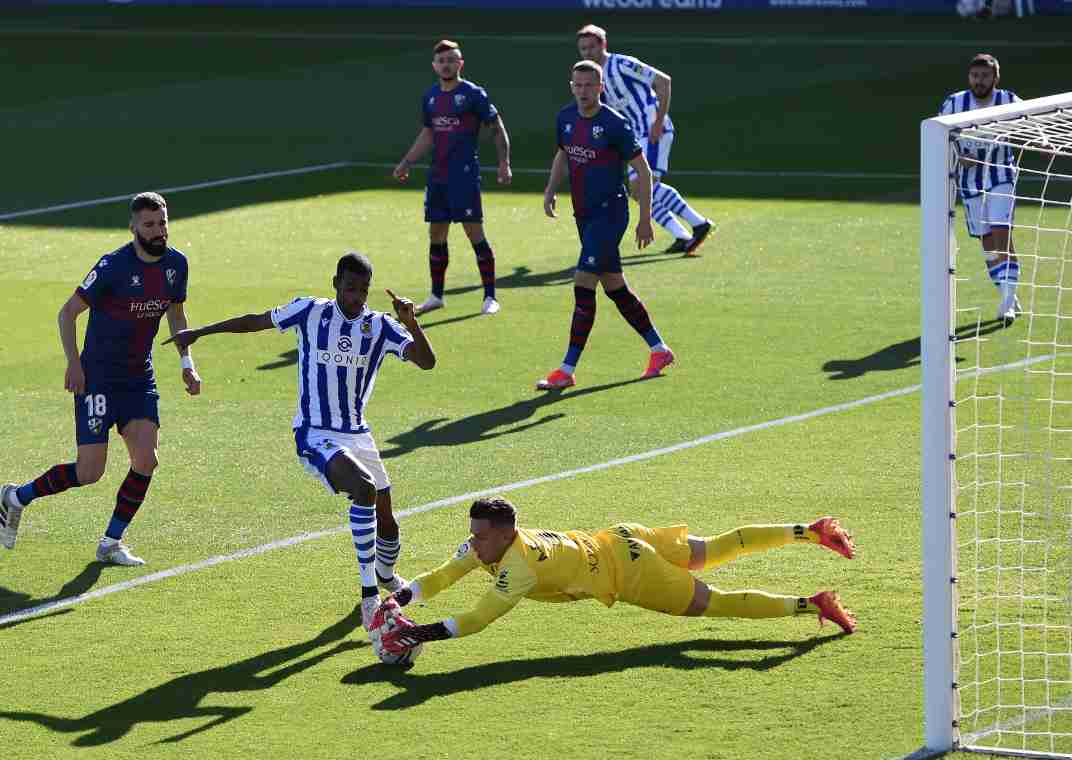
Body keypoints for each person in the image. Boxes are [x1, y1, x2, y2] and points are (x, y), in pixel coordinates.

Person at [164, 252, 436, 633]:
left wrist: (412, 324)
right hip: (315, 432)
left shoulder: (381, 326)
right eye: (349, 288)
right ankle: (368, 594)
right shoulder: (309, 311)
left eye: (362, 290)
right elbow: (253, 321)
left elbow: (427, 362)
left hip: (358, 433)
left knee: (388, 523)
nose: (356, 296)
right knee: (363, 489)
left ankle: (386, 576)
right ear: (335, 284)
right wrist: (200, 333)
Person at [371, 497, 857, 657]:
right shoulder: (489, 546)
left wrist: (416, 634)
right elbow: (443, 575)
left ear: (505, 534)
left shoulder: (517, 568)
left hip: (630, 573)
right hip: (619, 536)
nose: (472, 542)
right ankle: (810, 532)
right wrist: (405, 599)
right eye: (471, 533)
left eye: (480, 535)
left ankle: (814, 604)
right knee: (715, 548)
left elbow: (477, 618)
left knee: (716, 602)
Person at [0, 192, 201, 566]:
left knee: (146, 460)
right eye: (150, 225)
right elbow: (67, 313)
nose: (159, 231)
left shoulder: (177, 265)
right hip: (99, 379)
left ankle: (111, 542)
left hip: (139, 378)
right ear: (134, 227)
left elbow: (177, 315)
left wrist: (187, 361)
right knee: (90, 472)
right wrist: (74, 364)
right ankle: (16, 497)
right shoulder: (113, 267)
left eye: (163, 223)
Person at [538, 59, 674, 391]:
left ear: (601, 88)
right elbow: (562, 155)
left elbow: (642, 170)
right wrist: (551, 189)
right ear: (571, 86)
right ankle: (659, 350)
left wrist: (645, 220)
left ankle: (567, 369)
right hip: (583, 214)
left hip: (610, 213)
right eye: (578, 85)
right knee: (615, 287)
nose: (583, 91)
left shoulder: (615, 123)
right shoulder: (565, 118)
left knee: (583, 283)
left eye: (590, 85)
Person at [393, 39, 512, 317]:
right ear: (434, 65)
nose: (446, 64)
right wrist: (407, 161)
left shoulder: (472, 94)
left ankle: (490, 297)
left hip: (464, 176)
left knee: (474, 232)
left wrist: (504, 163)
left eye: (451, 60)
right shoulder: (431, 96)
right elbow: (428, 134)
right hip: (438, 176)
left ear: (460, 64)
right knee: (436, 233)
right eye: (441, 61)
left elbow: (496, 127)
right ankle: (436, 296)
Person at [576, 24, 714, 256]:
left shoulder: (622, 64)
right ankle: (683, 235)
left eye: (591, 47)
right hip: (636, 135)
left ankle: (699, 224)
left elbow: (664, 81)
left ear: (603, 45)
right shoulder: (595, 79)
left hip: (651, 130)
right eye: (582, 49)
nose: (587, 53)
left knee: (644, 185)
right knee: (638, 191)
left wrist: (658, 122)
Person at [938, 53, 1023, 324]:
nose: (980, 81)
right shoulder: (955, 103)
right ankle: (1007, 291)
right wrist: (957, 156)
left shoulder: (1009, 100)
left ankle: (1008, 303)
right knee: (987, 242)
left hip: (1001, 176)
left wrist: (1044, 143)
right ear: (969, 78)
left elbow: (1035, 119)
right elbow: (940, 135)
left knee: (1001, 233)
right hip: (970, 182)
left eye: (985, 76)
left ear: (996, 78)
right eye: (975, 76)